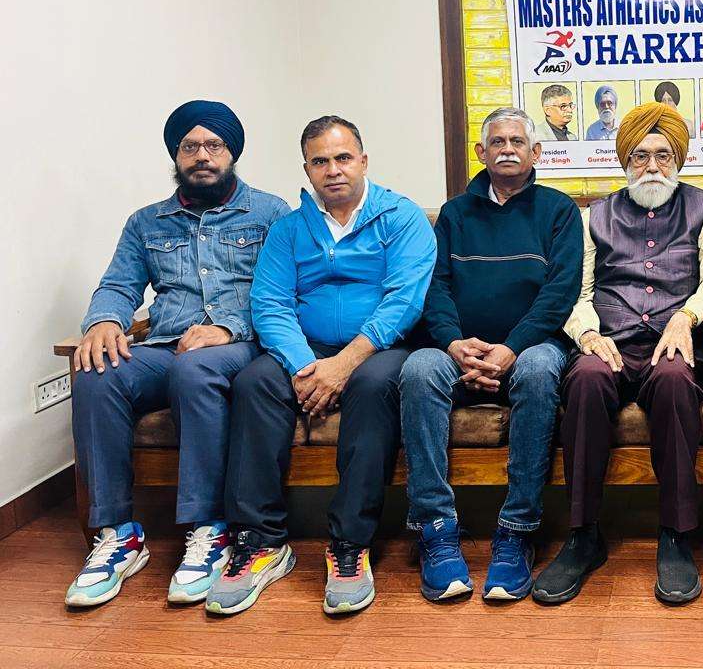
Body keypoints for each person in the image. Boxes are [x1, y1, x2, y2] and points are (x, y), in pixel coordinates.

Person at [206, 115, 435, 617]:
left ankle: (350, 544)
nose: (333, 170)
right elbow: (269, 303)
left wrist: (345, 364)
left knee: (372, 386)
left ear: (364, 161)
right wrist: (307, 366)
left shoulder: (401, 217)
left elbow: (404, 301)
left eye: (343, 157)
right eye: (320, 161)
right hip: (304, 349)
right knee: (253, 382)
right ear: (307, 169)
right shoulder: (289, 229)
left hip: (378, 348)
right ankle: (260, 541)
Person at [65, 101, 289, 609]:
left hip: (241, 345)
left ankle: (209, 528)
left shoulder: (271, 213)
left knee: (196, 368)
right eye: (190, 147)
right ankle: (117, 534)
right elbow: (119, 285)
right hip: (165, 345)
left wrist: (227, 328)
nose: (202, 156)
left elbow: (283, 291)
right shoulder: (146, 222)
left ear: (232, 153)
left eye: (214, 145)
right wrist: (103, 321)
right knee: (97, 373)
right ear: (176, 155)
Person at [532, 103, 703, 607]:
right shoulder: (592, 216)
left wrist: (685, 317)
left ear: (678, 159)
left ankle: (676, 534)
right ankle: (583, 535)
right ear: (624, 160)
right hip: (609, 340)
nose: (652, 167)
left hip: (671, 339)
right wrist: (587, 335)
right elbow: (577, 292)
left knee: (675, 381)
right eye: (640, 156)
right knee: (585, 379)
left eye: (663, 156)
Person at [400, 108, 582, 603]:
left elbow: (560, 294)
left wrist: (511, 348)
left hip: (529, 346)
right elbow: (434, 287)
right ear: (481, 152)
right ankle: (436, 529)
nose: (507, 149)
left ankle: (517, 530)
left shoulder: (559, 210)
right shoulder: (454, 214)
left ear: (535, 152)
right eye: (497, 142)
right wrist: (453, 344)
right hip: (461, 347)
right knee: (418, 368)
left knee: (541, 368)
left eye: (517, 141)